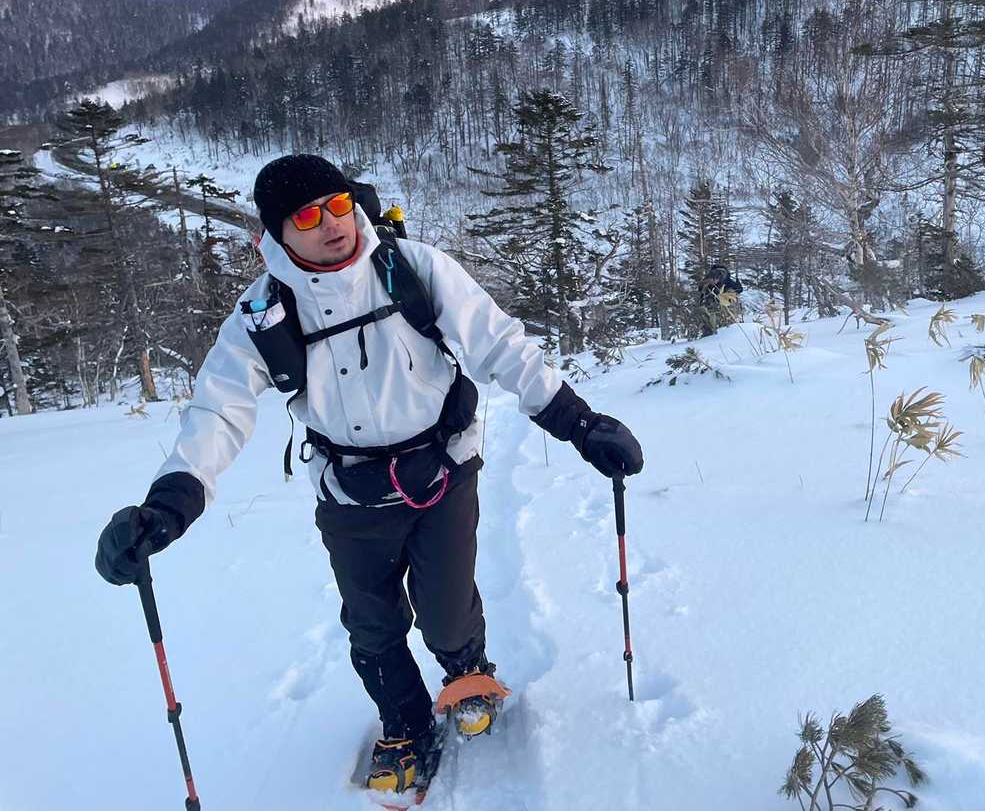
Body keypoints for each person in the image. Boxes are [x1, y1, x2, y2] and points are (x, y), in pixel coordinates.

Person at [94, 154, 642, 795]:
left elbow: (499, 344)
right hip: (350, 492)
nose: (333, 223)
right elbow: (219, 410)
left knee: (445, 607)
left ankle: (467, 671)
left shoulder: (413, 269)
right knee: (372, 622)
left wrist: (580, 423)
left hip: (442, 470)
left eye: (337, 205)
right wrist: (169, 505)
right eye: (308, 216)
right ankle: (404, 721)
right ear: (275, 233)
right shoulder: (262, 313)